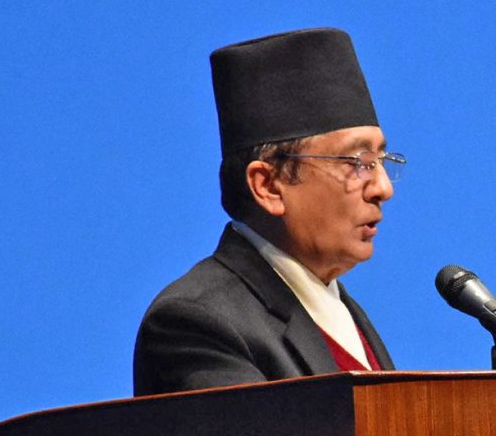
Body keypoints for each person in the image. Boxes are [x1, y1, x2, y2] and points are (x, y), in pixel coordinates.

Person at [133, 28, 397, 396]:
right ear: (268, 186)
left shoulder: (344, 312)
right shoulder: (196, 323)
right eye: (356, 162)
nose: (384, 188)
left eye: (382, 159)